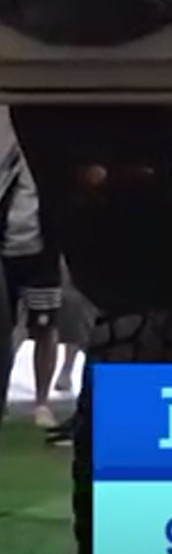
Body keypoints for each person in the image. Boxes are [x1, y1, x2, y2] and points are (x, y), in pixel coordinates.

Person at [0, 111, 66, 435]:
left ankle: (42, 401)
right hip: (5, 248)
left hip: (41, 250)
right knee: (3, 328)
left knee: (44, 326)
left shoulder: (48, 154)